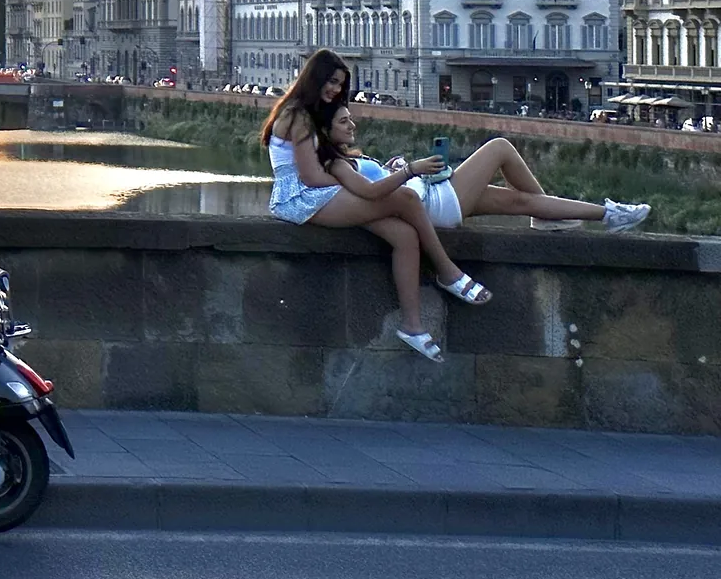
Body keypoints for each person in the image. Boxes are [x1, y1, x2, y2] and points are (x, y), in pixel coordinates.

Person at [262, 49, 488, 363]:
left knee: (404, 235)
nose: (335, 90)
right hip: (301, 199)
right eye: (331, 81)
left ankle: (412, 327)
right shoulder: (298, 114)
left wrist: (350, 174)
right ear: (315, 77)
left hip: (318, 193)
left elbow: (322, 169)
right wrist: (354, 179)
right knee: (407, 198)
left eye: (340, 84)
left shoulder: (306, 113)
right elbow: (311, 177)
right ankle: (447, 270)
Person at [323, 106, 650, 233]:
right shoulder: (337, 165)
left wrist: (391, 168)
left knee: (519, 201)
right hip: (432, 204)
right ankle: (552, 216)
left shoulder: (348, 161)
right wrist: (408, 169)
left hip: (430, 196)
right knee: (500, 147)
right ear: (326, 130)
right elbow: (372, 194)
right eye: (344, 121)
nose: (353, 125)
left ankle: (610, 215)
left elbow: (378, 187)